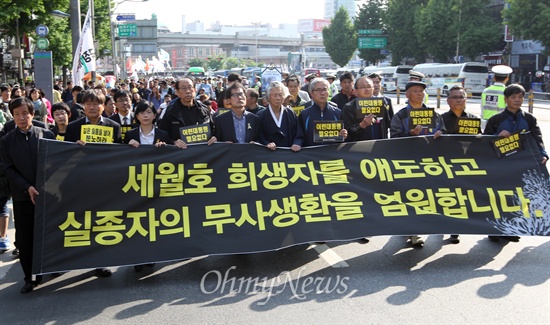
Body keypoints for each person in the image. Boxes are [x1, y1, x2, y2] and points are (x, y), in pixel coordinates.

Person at [0, 97, 56, 293]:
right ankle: (30, 277)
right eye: (17, 114)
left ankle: (52, 266)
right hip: (23, 196)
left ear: (33, 113)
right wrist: (27, 187)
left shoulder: (46, 134)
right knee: (25, 238)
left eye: (25, 113)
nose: (22, 118)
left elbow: (58, 163)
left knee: (50, 233)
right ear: (12, 116)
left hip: (48, 194)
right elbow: (8, 169)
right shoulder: (6, 141)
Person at [484, 83, 548, 242]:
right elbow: (485, 141)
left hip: (522, 165)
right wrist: (498, 135)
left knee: (518, 196)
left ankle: (511, 229)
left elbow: (537, 138)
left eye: (520, 97)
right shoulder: (495, 119)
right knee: (499, 197)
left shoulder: (529, 118)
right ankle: (495, 230)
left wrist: (543, 154)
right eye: (513, 97)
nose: (517, 100)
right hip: (501, 165)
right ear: (506, 99)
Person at [390, 81, 446, 247]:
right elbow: (393, 138)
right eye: (415, 91)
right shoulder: (400, 116)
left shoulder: (434, 115)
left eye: (421, 91)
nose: (419, 94)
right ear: (407, 95)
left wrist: (440, 134)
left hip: (429, 162)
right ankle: (412, 230)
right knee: (411, 197)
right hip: (407, 162)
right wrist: (410, 134)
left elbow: (445, 133)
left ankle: (418, 227)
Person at [440, 85, 480, 244]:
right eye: (454, 97)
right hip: (445, 164)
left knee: (461, 197)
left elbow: (481, 142)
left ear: (466, 99)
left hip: (465, 164)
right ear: (448, 100)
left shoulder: (472, 119)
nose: (458, 100)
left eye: (461, 97)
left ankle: (455, 228)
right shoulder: (440, 119)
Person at [158, 77, 215, 147]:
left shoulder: (204, 110)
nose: (188, 91)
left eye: (190, 87)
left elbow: (213, 130)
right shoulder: (171, 112)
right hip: (180, 154)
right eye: (183, 88)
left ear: (195, 89)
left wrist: (214, 138)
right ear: (177, 92)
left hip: (202, 153)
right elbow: (162, 135)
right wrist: (173, 142)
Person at [299, 78, 347, 147]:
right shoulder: (304, 114)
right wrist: (297, 144)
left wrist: (344, 135)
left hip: (333, 155)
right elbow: (299, 136)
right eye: (318, 90)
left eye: (325, 89)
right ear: (311, 93)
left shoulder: (337, 113)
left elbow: (345, 136)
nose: (322, 93)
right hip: (311, 156)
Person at [256, 81, 302, 151]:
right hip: (269, 155)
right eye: (275, 95)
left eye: (280, 95)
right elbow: (258, 137)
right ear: (268, 97)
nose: (278, 98)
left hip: (289, 154)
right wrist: (266, 143)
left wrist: (297, 143)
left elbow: (298, 134)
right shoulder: (261, 115)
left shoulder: (290, 113)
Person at [342, 76, 391, 141]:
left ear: (373, 89)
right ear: (356, 91)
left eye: (369, 86)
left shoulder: (380, 103)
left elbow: (387, 124)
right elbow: (347, 131)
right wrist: (361, 126)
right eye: (363, 87)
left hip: (379, 145)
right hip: (358, 146)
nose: (367, 89)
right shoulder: (349, 107)